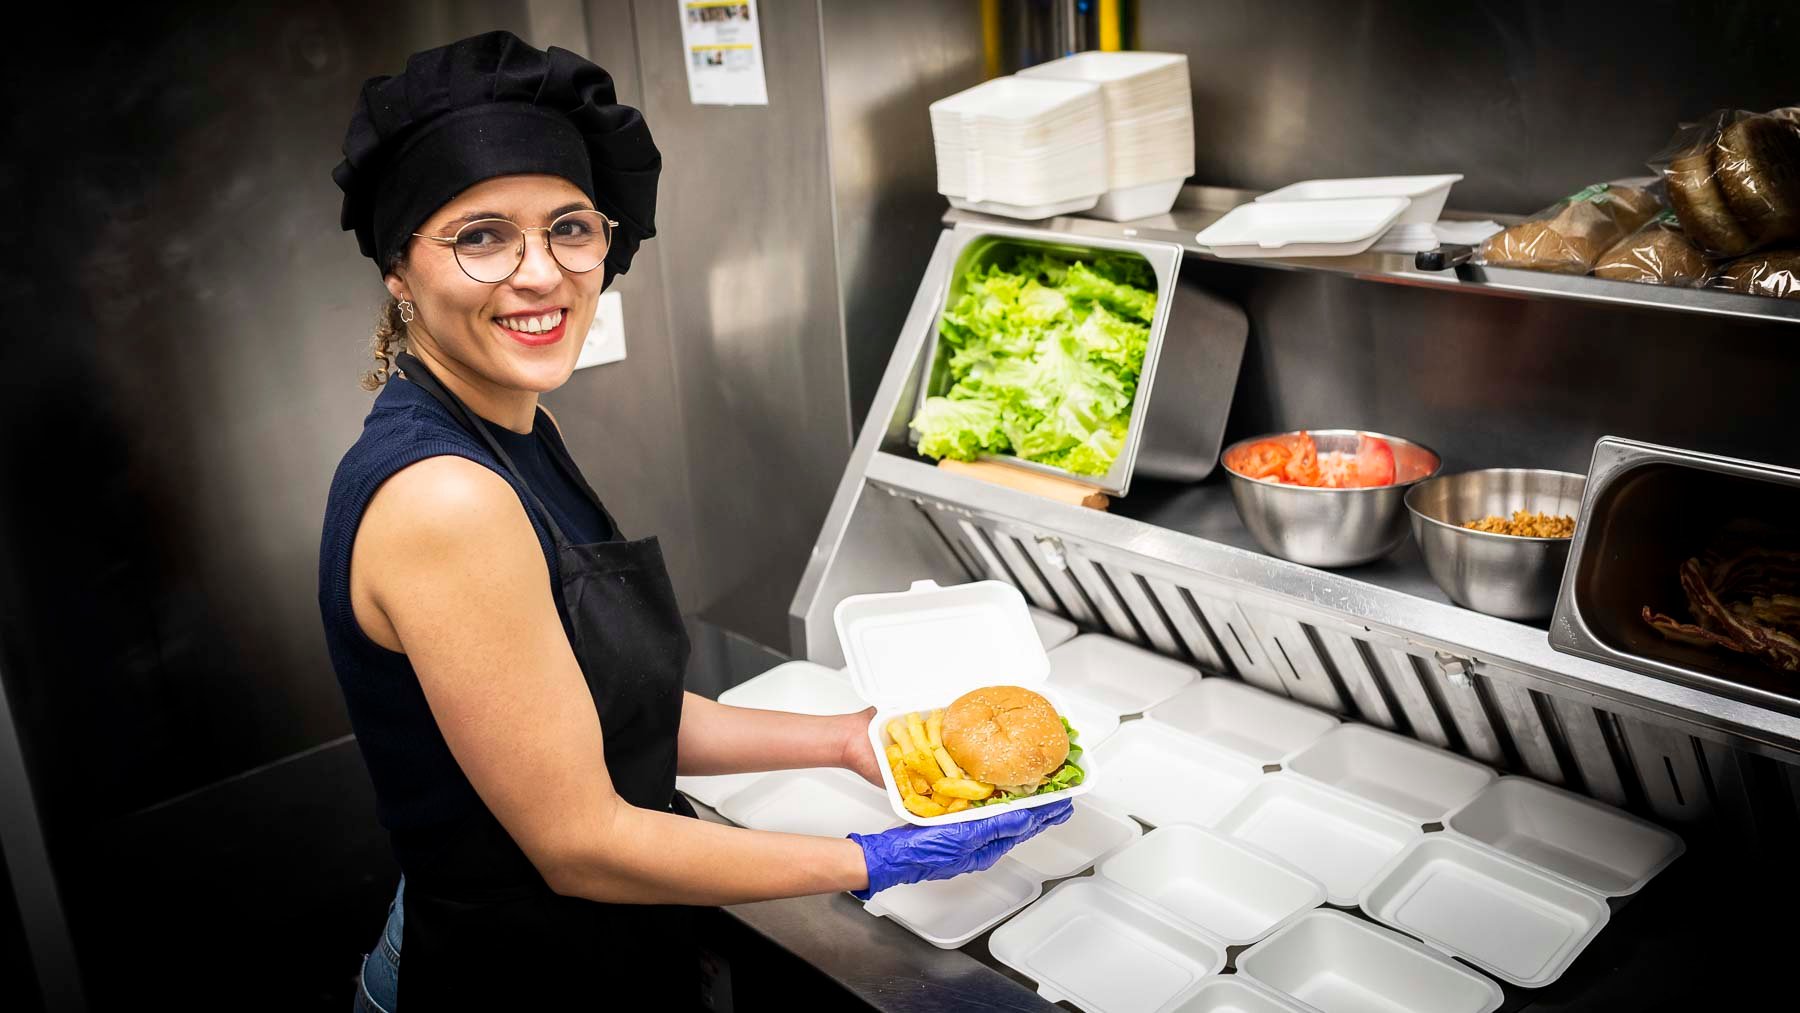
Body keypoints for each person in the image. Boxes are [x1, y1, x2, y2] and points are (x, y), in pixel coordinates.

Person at [322, 31, 1068, 1010]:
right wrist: (871, 857)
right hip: (505, 979)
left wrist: (843, 736)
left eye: (570, 227)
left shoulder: (510, 423)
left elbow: (598, 713)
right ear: (399, 271)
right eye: (481, 234)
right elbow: (581, 839)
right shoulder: (448, 497)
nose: (541, 273)